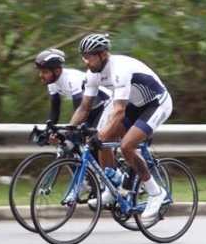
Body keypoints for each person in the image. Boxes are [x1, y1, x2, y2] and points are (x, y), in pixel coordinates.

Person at [67, 33, 173, 220]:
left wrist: (99, 136)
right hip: (137, 105)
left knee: (126, 146)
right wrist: (67, 132)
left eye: (90, 56)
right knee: (103, 139)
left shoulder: (120, 69)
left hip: (157, 103)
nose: (86, 61)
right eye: (83, 56)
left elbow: (119, 113)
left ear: (104, 54)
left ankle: (156, 193)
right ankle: (113, 187)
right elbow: (84, 108)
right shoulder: (93, 74)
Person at [34, 48, 112, 130]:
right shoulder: (52, 83)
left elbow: (79, 110)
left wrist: (71, 130)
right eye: (40, 71)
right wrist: (48, 129)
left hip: (104, 105)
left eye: (45, 72)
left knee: (94, 137)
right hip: (89, 109)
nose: (40, 75)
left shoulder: (71, 79)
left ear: (57, 71)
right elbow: (55, 110)